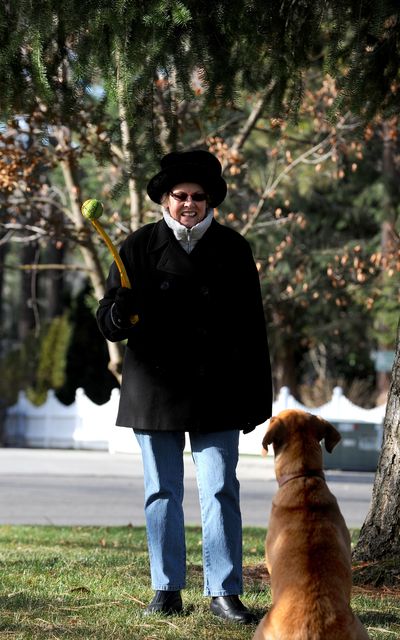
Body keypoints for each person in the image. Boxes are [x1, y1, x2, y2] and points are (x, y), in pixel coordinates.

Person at [96, 149, 273, 623]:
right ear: (166, 198)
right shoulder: (135, 247)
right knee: (161, 492)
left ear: (211, 200)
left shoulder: (234, 248)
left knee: (220, 490)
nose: (189, 204)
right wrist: (117, 313)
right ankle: (166, 589)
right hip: (155, 391)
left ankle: (224, 592)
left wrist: (258, 398)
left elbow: (253, 330)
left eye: (198, 196)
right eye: (180, 196)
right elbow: (108, 318)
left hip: (218, 392)